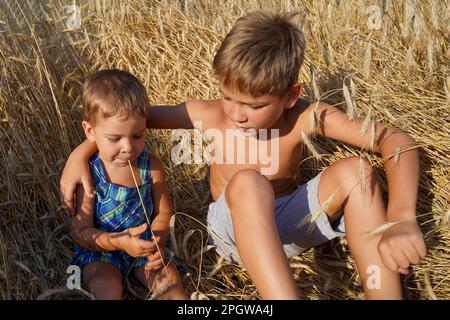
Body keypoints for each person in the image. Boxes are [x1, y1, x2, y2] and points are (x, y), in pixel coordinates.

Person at [61, 12, 426, 299]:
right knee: (249, 182)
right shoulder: (211, 115)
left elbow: (395, 140)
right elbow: (122, 120)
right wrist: (81, 153)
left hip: (288, 221)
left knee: (358, 172)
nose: (236, 114)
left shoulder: (305, 116)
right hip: (233, 229)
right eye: (228, 96)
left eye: (254, 105)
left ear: (290, 94)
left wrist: (402, 218)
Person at [69, 69, 187, 299]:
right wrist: (119, 242)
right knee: (104, 284)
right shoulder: (90, 174)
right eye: (115, 138)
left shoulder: (150, 166)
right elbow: (81, 232)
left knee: (170, 281)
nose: (128, 147)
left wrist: (156, 241)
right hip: (103, 250)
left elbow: (163, 211)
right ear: (90, 131)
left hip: (144, 245)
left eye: (137, 135)